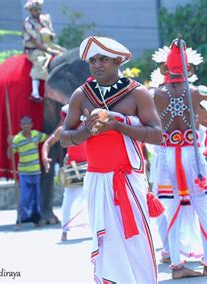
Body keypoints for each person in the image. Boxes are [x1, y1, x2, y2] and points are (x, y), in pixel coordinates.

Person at [59, 36, 162, 283]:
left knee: (135, 242)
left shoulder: (137, 93)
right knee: (105, 244)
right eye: (92, 60)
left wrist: (117, 124)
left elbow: (157, 135)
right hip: (96, 180)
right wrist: (87, 131)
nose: (96, 64)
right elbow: (64, 138)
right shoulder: (81, 95)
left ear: (118, 60)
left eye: (103, 59)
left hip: (128, 180)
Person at [150, 40, 207, 279]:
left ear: (164, 69)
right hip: (191, 155)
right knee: (203, 205)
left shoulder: (154, 95)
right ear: (188, 69)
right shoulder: (197, 92)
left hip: (167, 157)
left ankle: (177, 264)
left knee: (171, 209)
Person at [42, 105, 88, 241]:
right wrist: (45, 157)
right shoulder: (63, 130)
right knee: (68, 200)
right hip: (72, 169)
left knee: (96, 199)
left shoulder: (88, 128)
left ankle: (99, 230)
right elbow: (47, 143)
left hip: (89, 168)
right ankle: (65, 231)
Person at [23, 0, 66, 101]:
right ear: (30, 11)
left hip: (48, 45)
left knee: (64, 52)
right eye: (35, 10)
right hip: (34, 49)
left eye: (39, 9)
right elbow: (34, 41)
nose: (37, 12)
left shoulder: (45, 19)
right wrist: (49, 51)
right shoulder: (28, 24)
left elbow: (50, 34)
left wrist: (51, 36)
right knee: (41, 60)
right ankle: (35, 92)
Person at [9, 116, 47, 227]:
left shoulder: (36, 135)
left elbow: (48, 139)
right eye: (24, 124)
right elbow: (10, 154)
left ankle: (37, 219)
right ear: (21, 125)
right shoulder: (17, 139)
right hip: (24, 173)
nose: (26, 126)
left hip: (36, 171)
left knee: (36, 197)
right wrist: (10, 144)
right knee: (25, 197)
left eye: (28, 123)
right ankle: (20, 220)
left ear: (31, 125)